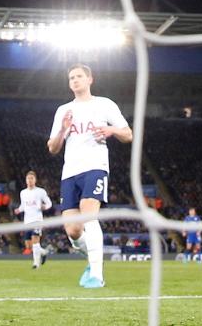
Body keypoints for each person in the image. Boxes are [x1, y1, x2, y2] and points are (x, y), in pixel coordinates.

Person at [46, 63, 132, 289]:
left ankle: (97, 274)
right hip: (69, 172)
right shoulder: (63, 110)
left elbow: (128, 134)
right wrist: (64, 129)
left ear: (89, 79)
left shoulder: (104, 105)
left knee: (89, 215)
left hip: (95, 166)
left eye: (79, 76)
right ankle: (92, 259)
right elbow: (53, 148)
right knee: (73, 231)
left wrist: (111, 130)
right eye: (71, 77)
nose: (74, 80)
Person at [14, 170, 53, 269]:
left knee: (35, 242)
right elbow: (23, 205)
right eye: (28, 178)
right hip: (27, 221)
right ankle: (43, 252)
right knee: (28, 246)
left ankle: (36, 264)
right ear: (26, 180)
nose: (30, 180)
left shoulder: (40, 191)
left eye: (32, 178)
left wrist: (44, 207)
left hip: (37, 220)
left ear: (35, 180)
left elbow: (49, 203)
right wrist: (18, 210)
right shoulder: (23, 193)